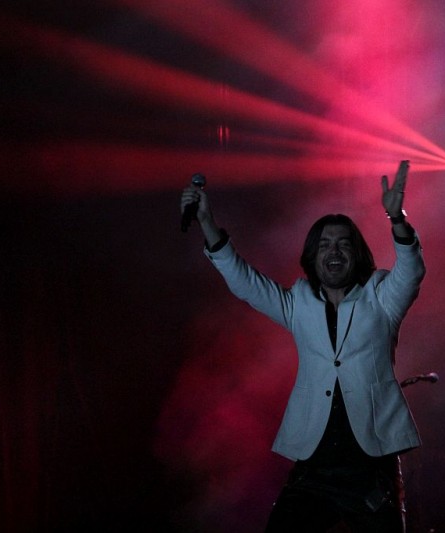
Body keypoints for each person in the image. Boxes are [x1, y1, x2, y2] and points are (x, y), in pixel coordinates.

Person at [180, 160, 425, 532]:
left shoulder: (380, 296)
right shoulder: (299, 302)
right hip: (315, 467)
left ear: (357, 254)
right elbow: (245, 282)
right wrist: (207, 222)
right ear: (313, 256)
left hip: (370, 467)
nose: (334, 251)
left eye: (343, 244)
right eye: (324, 244)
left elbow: (411, 270)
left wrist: (397, 220)